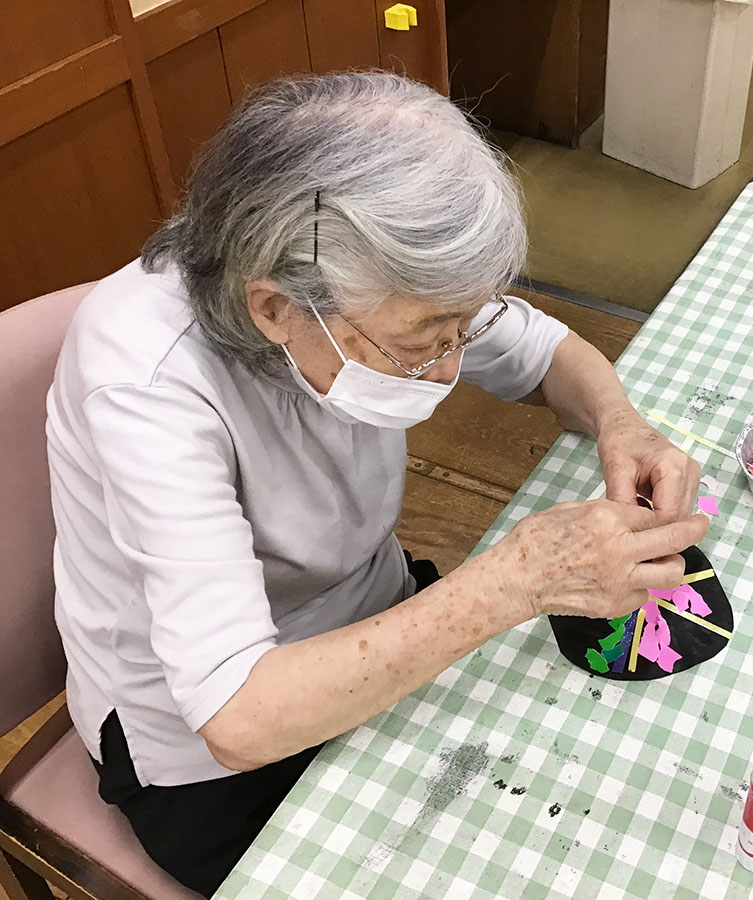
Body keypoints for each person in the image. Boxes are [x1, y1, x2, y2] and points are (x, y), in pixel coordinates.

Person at [46, 72, 707, 897]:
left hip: (374, 610)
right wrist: (519, 579)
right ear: (273, 309)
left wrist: (620, 423)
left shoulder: (369, 288)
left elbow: (544, 353)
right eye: (422, 343)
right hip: (206, 750)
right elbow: (237, 719)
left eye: (463, 327)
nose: (452, 364)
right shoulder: (144, 381)